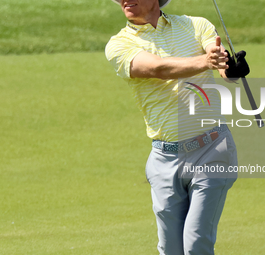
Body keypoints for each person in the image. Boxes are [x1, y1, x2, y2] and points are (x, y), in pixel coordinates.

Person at [105, 0, 250, 254]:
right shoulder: (119, 44)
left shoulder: (196, 25)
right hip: (164, 159)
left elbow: (218, 60)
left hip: (212, 150)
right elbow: (157, 68)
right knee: (171, 249)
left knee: (196, 244)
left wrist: (230, 69)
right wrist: (206, 62)